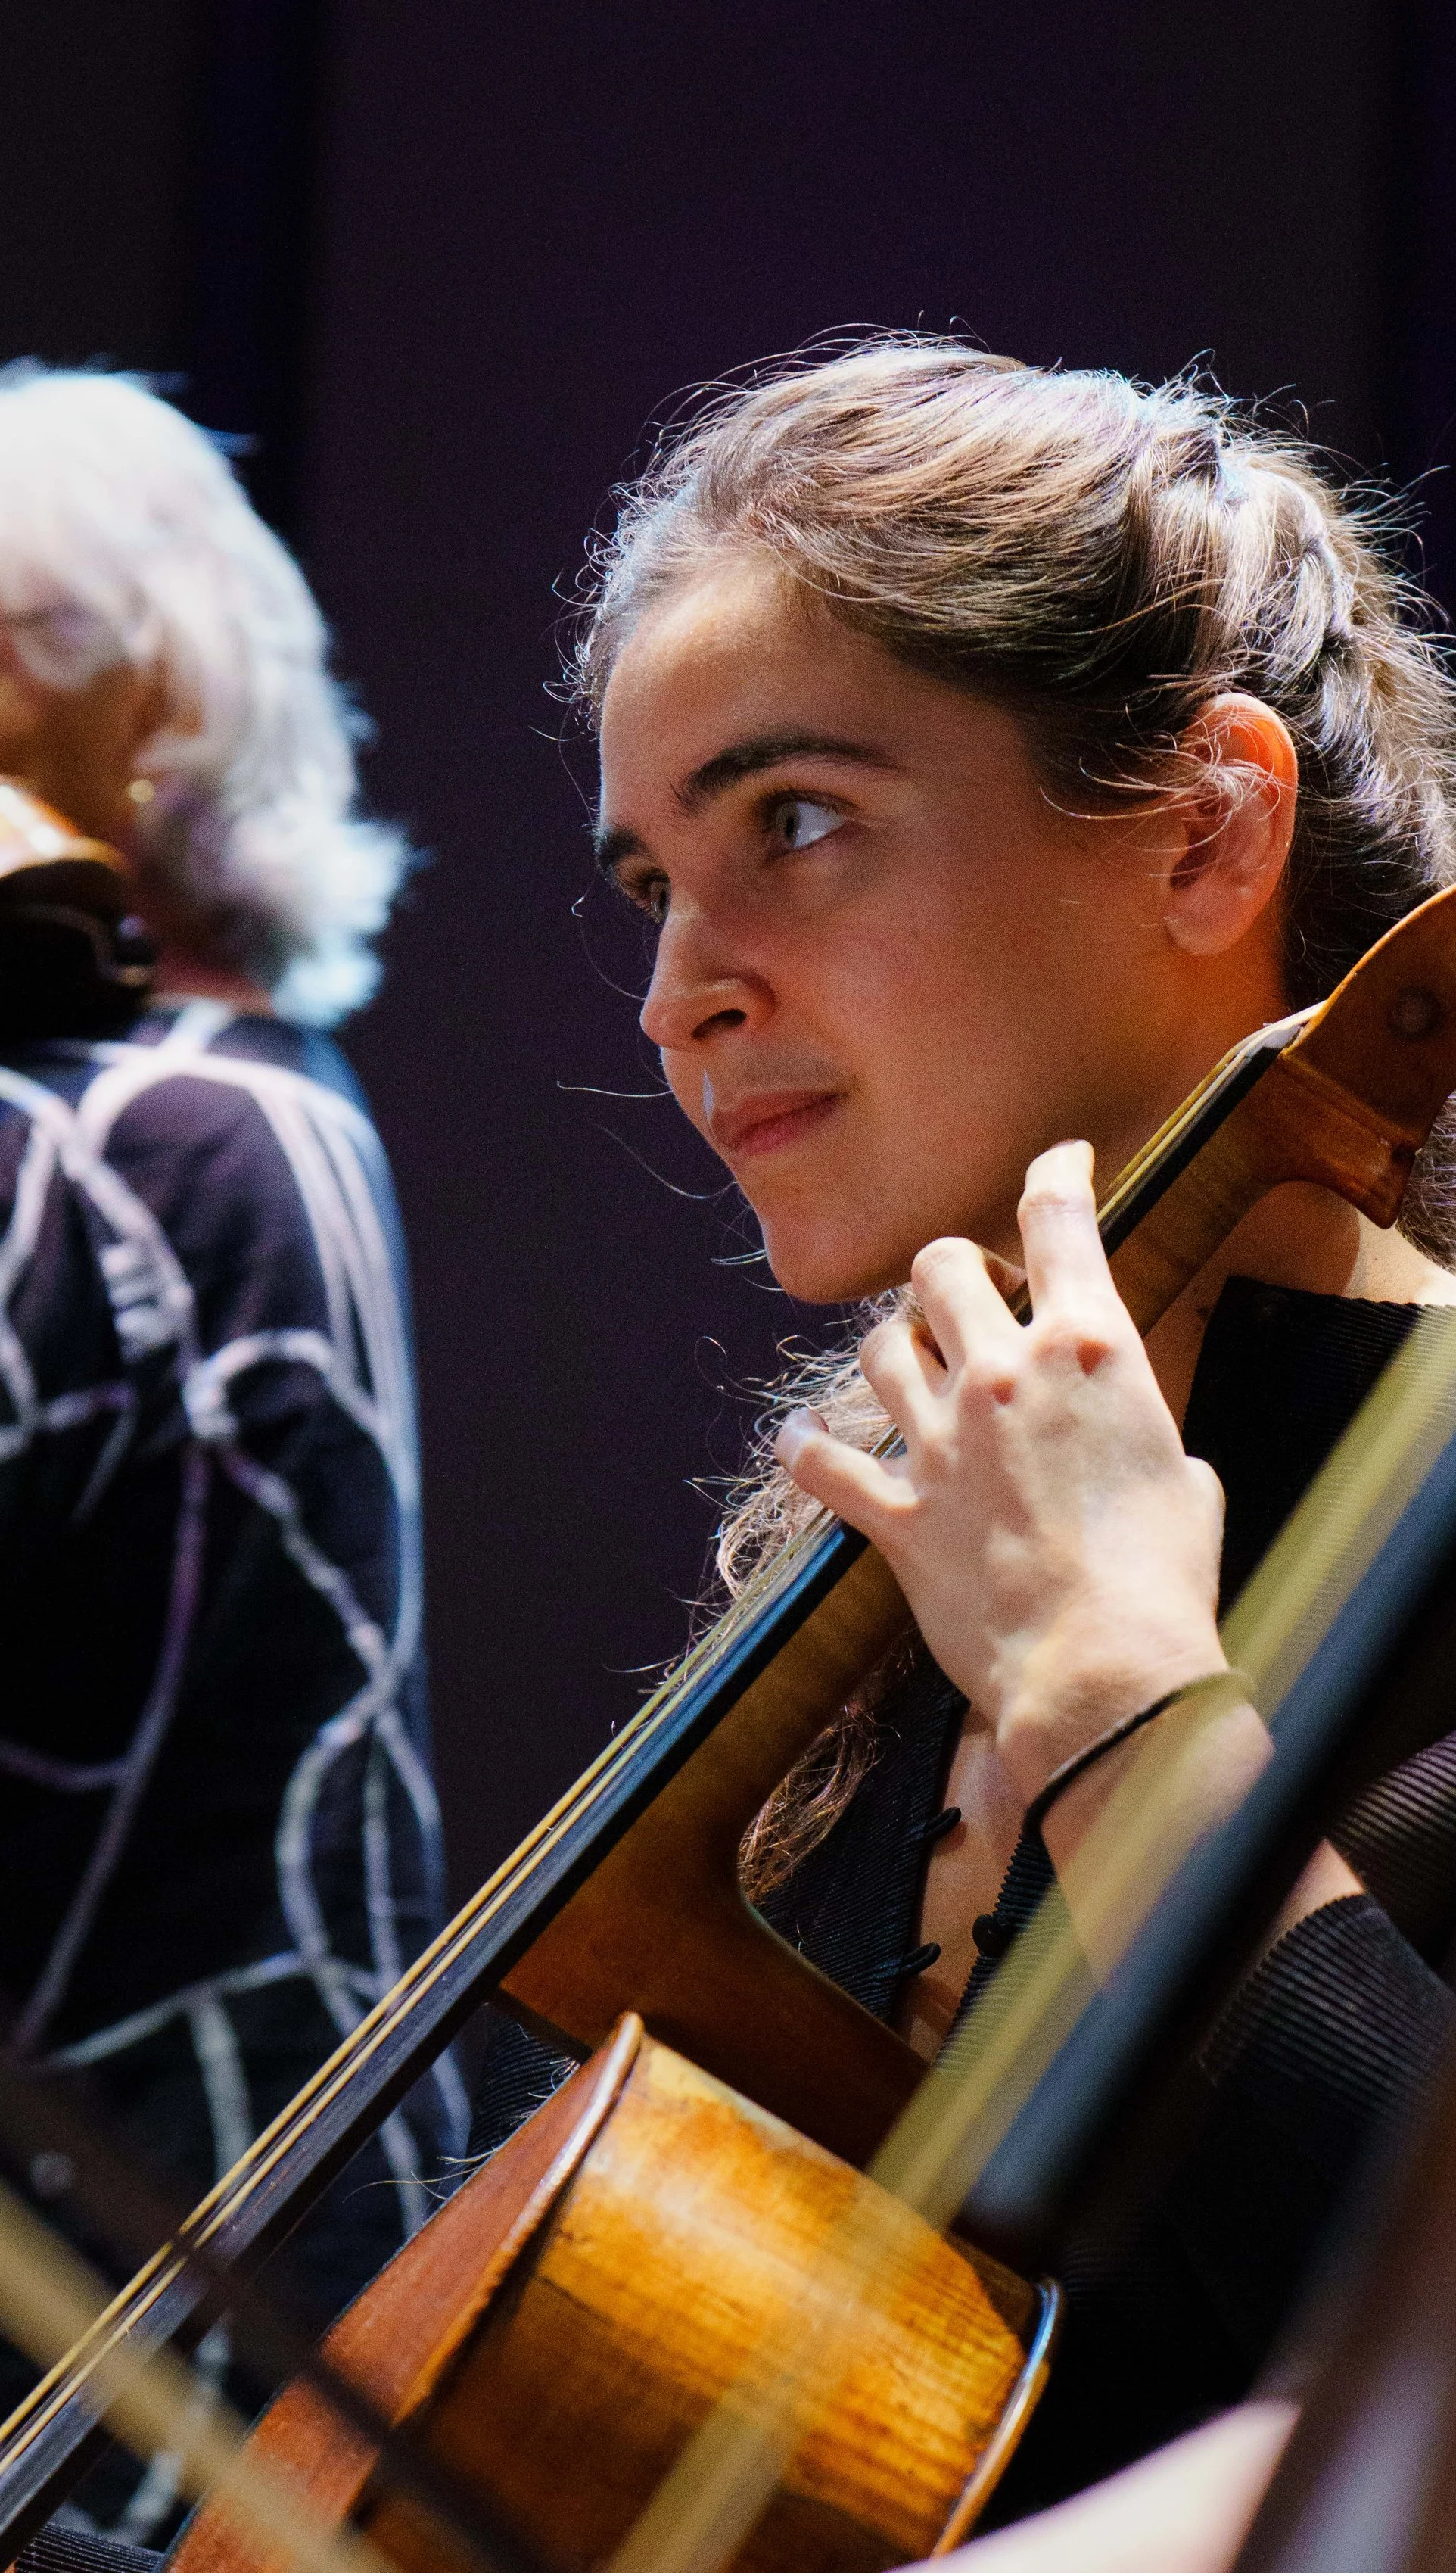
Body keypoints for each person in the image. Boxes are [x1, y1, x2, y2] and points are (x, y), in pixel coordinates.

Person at [550, 338, 1456, 2528]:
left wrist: (1122, 1708)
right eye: (652, 883)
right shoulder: (870, 1608)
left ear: (1207, 828)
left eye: (792, 824)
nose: (680, 991)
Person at [0, 366, 462, 2550]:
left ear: (142, 695)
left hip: (110, 2315)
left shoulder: (122, 1118)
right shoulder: (268, 1095)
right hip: (241, 2243)